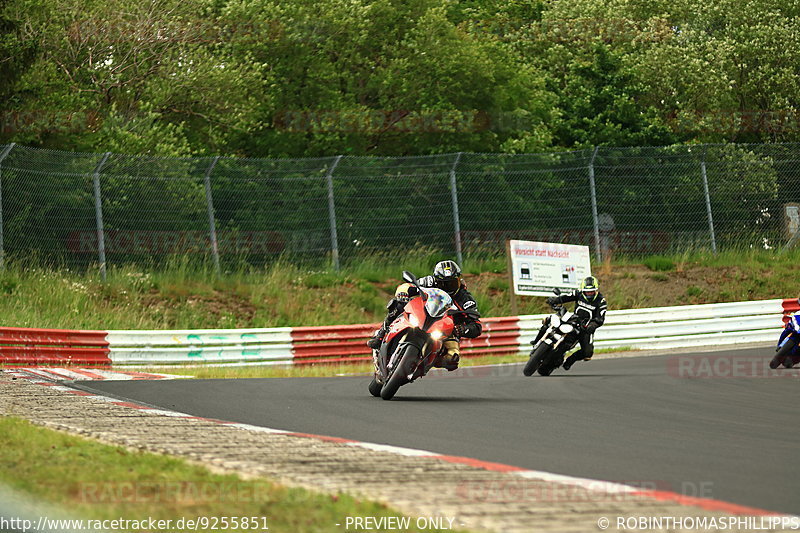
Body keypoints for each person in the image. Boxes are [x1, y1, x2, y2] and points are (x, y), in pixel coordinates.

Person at [367, 260, 482, 371]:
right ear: (437, 280)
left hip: (447, 328)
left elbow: (476, 326)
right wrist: (403, 293)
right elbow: (408, 285)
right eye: (443, 284)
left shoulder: (465, 299)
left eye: (452, 283)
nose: (448, 287)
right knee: (398, 304)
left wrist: (462, 329)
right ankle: (381, 335)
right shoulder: (429, 281)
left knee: (453, 358)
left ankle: (429, 363)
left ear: (459, 280)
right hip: (423, 313)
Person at [532, 275, 607, 371]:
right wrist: (554, 300)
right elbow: (566, 297)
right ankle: (536, 341)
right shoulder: (578, 293)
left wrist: (593, 325)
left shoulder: (601, 301)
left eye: (592, 292)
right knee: (549, 320)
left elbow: (600, 318)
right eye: (587, 292)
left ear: (596, 290)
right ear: (582, 290)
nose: (589, 294)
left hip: (586, 326)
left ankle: (570, 360)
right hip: (573, 319)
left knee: (587, 353)